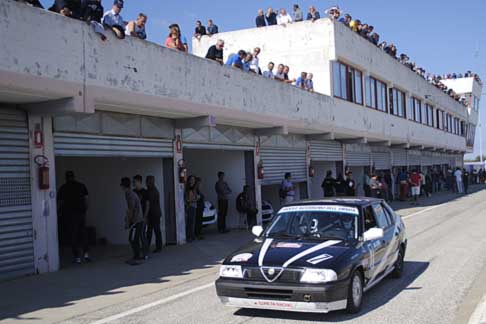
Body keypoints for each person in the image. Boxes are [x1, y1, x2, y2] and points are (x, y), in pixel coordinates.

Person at [57, 171, 90, 264]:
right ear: (74, 177)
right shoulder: (81, 186)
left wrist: (57, 212)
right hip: (81, 213)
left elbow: (60, 202)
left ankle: (77, 258)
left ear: (66, 178)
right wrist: (85, 210)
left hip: (70, 215)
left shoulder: (63, 188)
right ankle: (86, 254)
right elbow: (86, 199)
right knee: (83, 233)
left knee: (73, 235)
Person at [120, 177, 147, 265]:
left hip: (137, 220)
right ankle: (137, 255)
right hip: (136, 219)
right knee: (133, 238)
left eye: (122, 186)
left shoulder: (129, 194)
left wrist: (128, 221)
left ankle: (137, 256)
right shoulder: (129, 193)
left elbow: (131, 209)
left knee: (134, 239)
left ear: (124, 186)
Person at [145, 176, 163, 252]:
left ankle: (156, 247)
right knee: (153, 231)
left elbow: (148, 204)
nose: (146, 183)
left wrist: (145, 216)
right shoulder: (153, 190)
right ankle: (150, 246)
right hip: (155, 213)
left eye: (147, 181)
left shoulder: (151, 191)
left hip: (153, 214)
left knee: (153, 231)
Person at [185, 175, 198, 241]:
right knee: (190, 222)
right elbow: (187, 199)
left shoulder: (194, 188)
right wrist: (193, 200)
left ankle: (192, 236)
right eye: (191, 179)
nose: (193, 180)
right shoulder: (188, 188)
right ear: (189, 180)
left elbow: (195, 198)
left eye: (193, 179)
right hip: (190, 206)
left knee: (192, 222)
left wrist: (195, 199)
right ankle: (189, 236)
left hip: (193, 206)